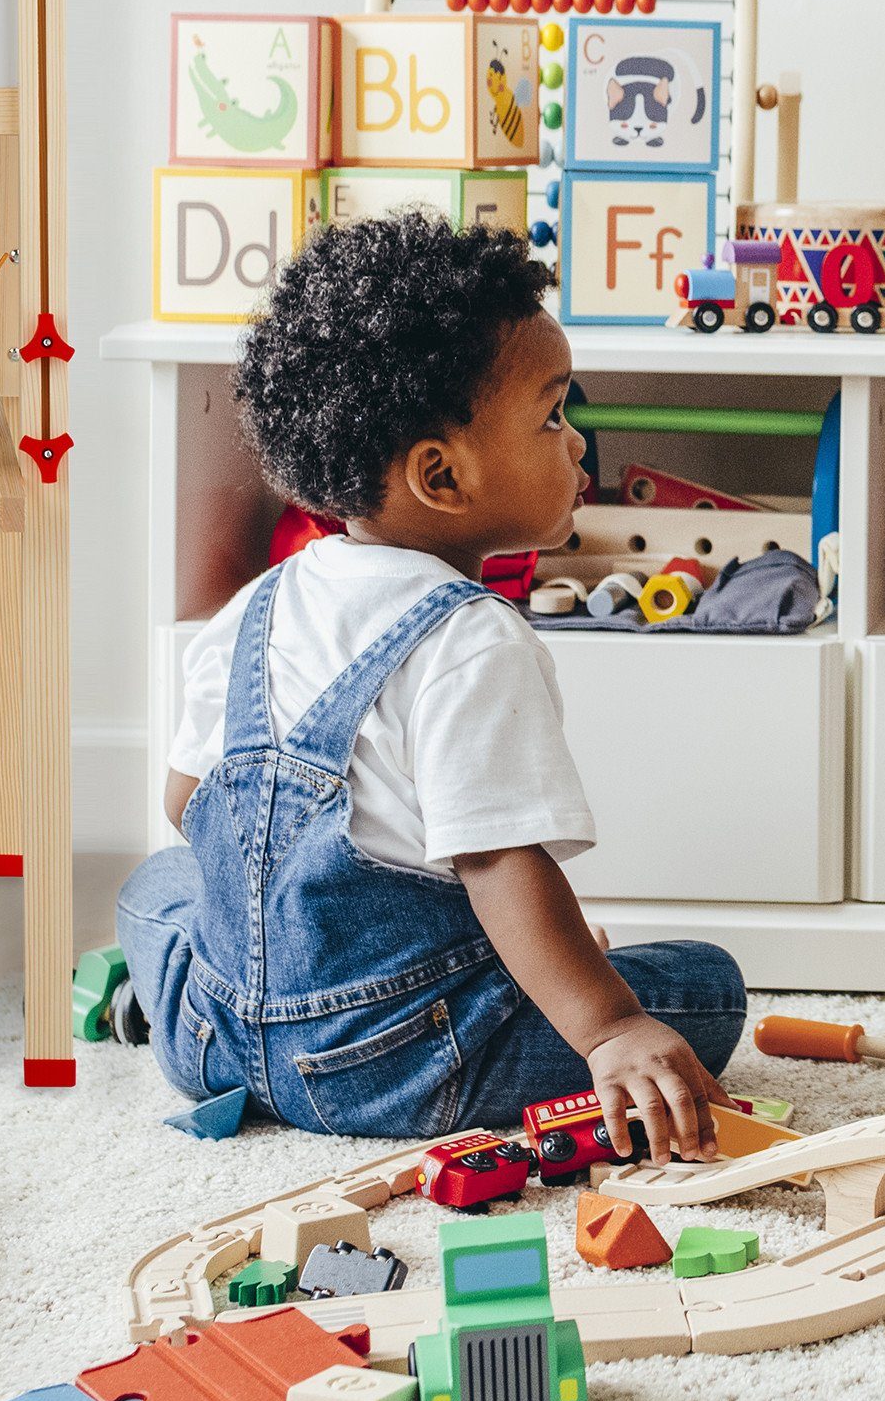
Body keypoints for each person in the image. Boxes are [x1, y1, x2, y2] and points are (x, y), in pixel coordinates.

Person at [114, 213, 745, 1153]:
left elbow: (185, 805)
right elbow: (500, 864)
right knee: (704, 986)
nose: (577, 445)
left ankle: (163, 1005)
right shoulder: (471, 638)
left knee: (157, 886)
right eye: (552, 416)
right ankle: (582, 1015)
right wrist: (610, 1027)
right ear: (441, 475)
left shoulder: (256, 606)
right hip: (398, 1064)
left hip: (220, 1038)